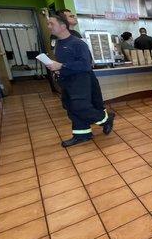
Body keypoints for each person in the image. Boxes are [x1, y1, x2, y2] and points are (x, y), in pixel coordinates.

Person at [45, 15, 115, 147]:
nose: (48, 27)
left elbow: (85, 64)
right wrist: (57, 68)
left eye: (51, 24)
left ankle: (106, 119)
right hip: (66, 80)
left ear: (63, 26)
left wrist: (61, 66)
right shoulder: (59, 44)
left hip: (81, 79)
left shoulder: (78, 43)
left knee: (80, 106)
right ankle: (82, 135)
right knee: (70, 107)